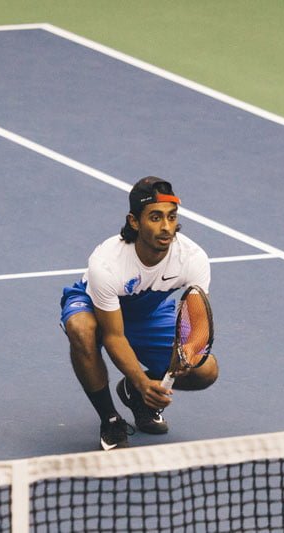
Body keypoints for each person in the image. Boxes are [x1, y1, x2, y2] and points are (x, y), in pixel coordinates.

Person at [60, 176, 219, 450]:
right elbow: (114, 337)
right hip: (98, 310)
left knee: (206, 371)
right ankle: (109, 419)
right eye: (155, 217)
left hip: (148, 313)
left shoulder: (192, 259)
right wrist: (143, 380)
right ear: (134, 221)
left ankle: (133, 395)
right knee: (81, 330)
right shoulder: (108, 264)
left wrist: (181, 357)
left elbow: (195, 323)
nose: (166, 227)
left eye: (171, 217)